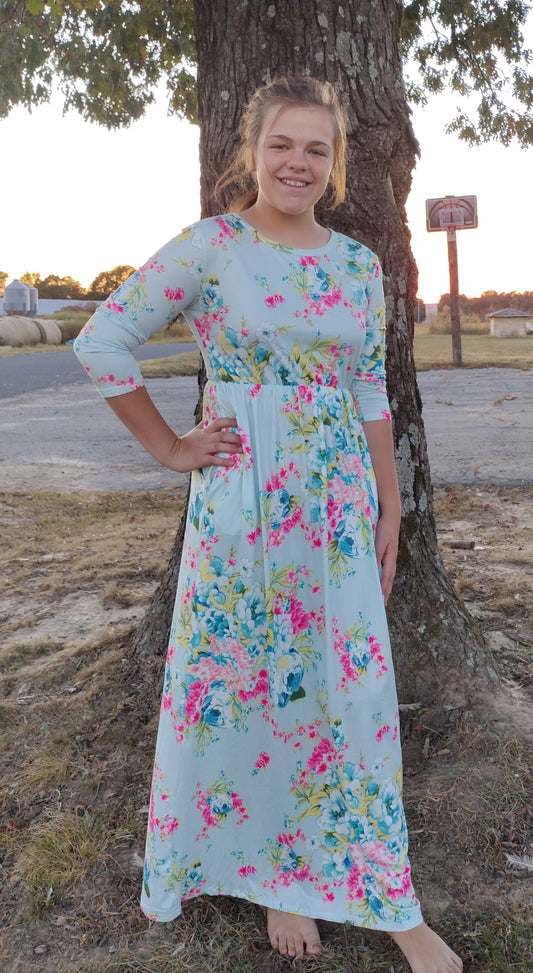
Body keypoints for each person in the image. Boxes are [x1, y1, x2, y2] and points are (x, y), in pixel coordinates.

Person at [74, 76, 462, 973]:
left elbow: (369, 387)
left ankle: (389, 898)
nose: (297, 162)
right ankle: (279, 879)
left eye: (315, 149)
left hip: (336, 506)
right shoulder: (212, 248)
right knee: (255, 687)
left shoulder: (357, 264)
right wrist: (171, 448)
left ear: (334, 165)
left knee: (351, 693)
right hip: (241, 508)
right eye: (282, 144)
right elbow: (102, 341)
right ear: (249, 151)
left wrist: (390, 500)